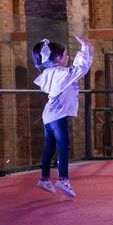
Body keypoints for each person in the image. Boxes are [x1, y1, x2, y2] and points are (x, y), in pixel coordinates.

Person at [32, 35, 93, 197]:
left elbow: (80, 69)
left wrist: (87, 51)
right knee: (63, 146)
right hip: (58, 115)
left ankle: (45, 178)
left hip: (49, 114)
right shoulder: (61, 73)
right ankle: (63, 179)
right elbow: (80, 68)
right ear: (58, 58)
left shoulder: (50, 72)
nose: (67, 57)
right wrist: (84, 48)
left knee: (50, 147)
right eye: (65, 55)